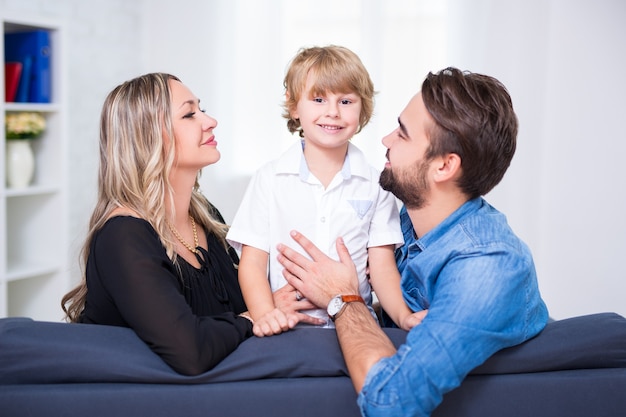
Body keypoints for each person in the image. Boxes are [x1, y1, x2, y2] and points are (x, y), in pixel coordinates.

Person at [276, 67, 549, 416]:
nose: (386, 139)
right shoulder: (401, 222)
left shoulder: (487, 266)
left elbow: (391, 403)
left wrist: (344, 299)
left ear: (444, 167)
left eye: (403, 134)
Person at [61, 73, 257, 376]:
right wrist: (253, 317)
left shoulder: (205, 217)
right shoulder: (123, 236)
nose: (210, 121)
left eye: (201, 109)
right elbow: (190, 351)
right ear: (150, 136)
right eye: (190, 114)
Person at [226, 45, 422, 337]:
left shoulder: (376, 183)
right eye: (318, 99)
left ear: (362, 109)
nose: (332, 112)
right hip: (286, 330)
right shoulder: (268, 179)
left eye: (345, 101)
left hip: (356, 329)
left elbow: (381, 268)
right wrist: (265, 315)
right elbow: (252, 263)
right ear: (294, 107)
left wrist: (404, 317)